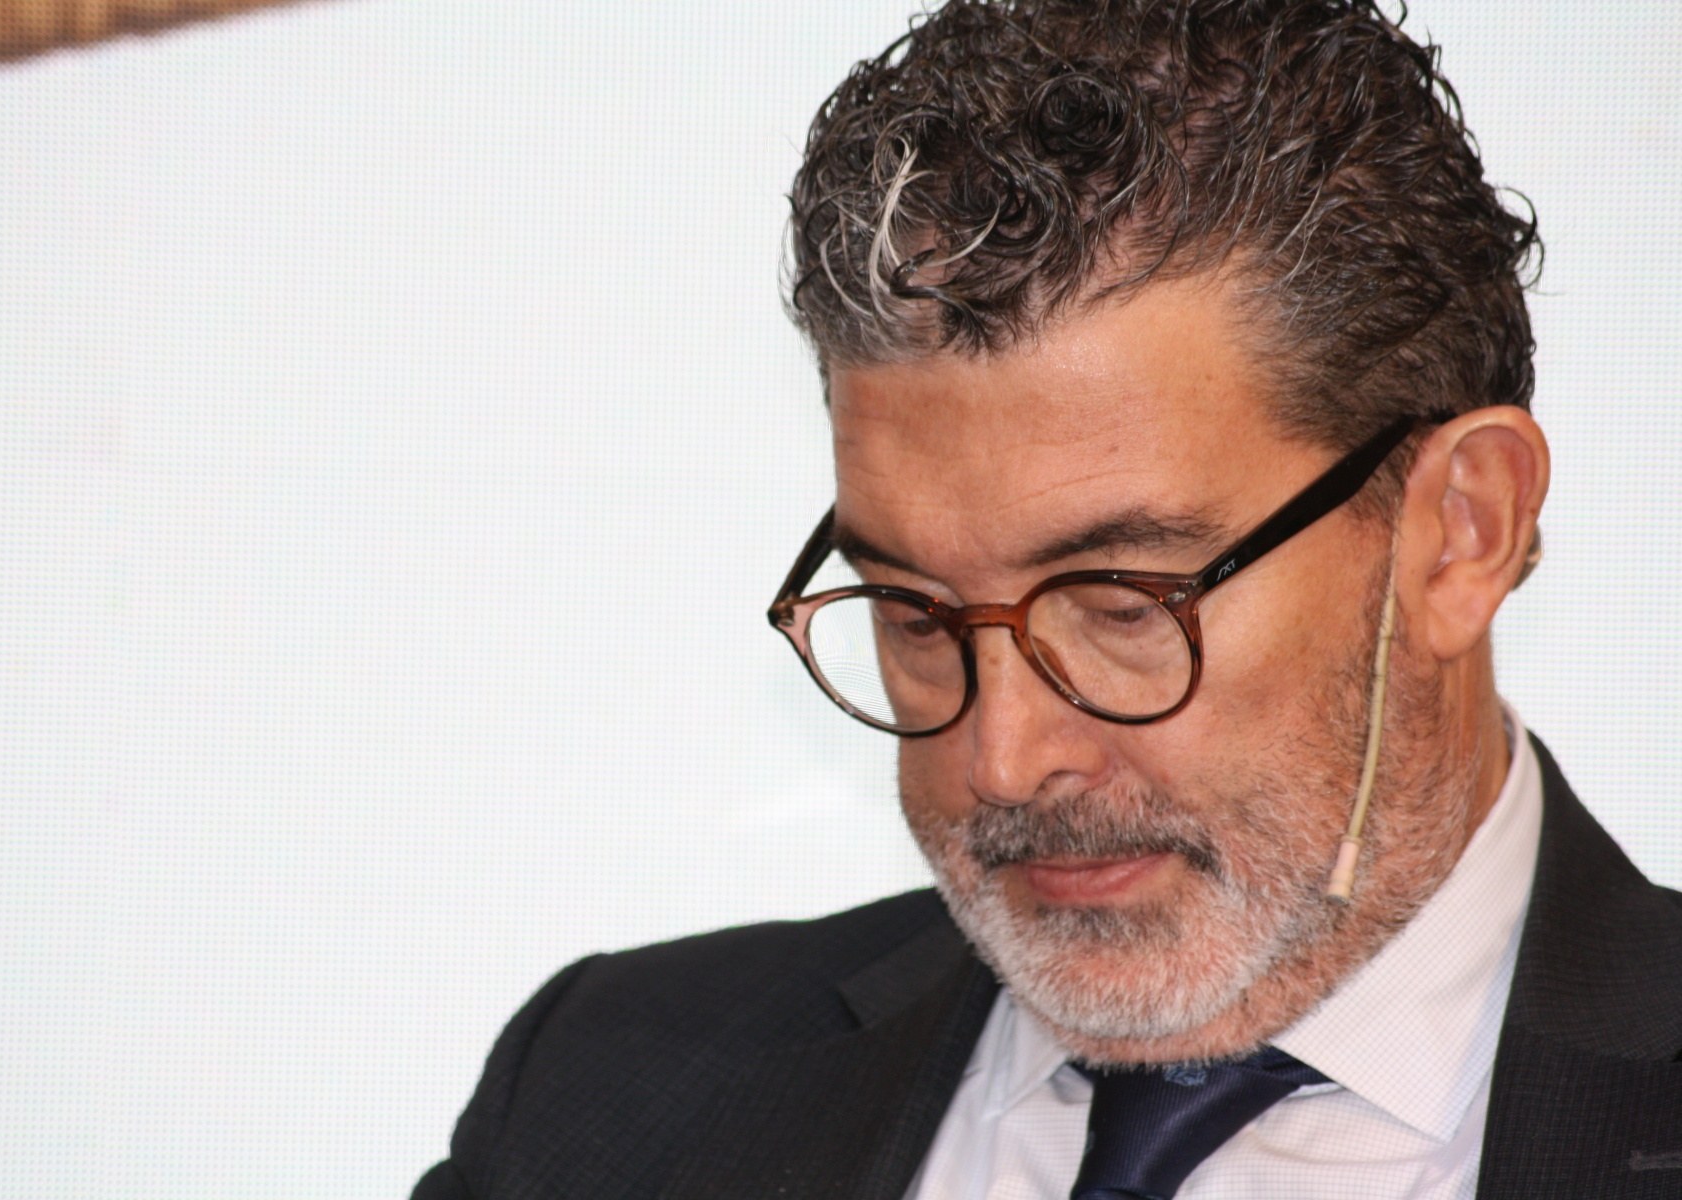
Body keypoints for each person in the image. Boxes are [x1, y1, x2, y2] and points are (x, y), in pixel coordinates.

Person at [413, 2, 1682, 1196]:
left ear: (1461, 530)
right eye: (915, 614)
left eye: (1124, 606)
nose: (1003, 761)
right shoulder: (599, 1102)